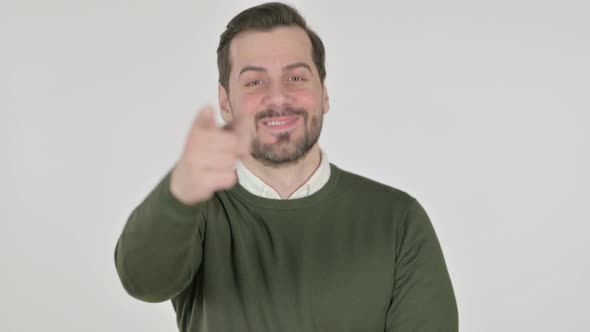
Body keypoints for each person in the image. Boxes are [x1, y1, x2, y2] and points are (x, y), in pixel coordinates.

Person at [114, 2, 458, 331]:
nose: (278, 98)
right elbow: (143, 281)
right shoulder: (196, 214)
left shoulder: (398, 220)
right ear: (225, 103)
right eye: (254, 82)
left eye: (296, 78)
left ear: (323, 94)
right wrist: (179, 194)